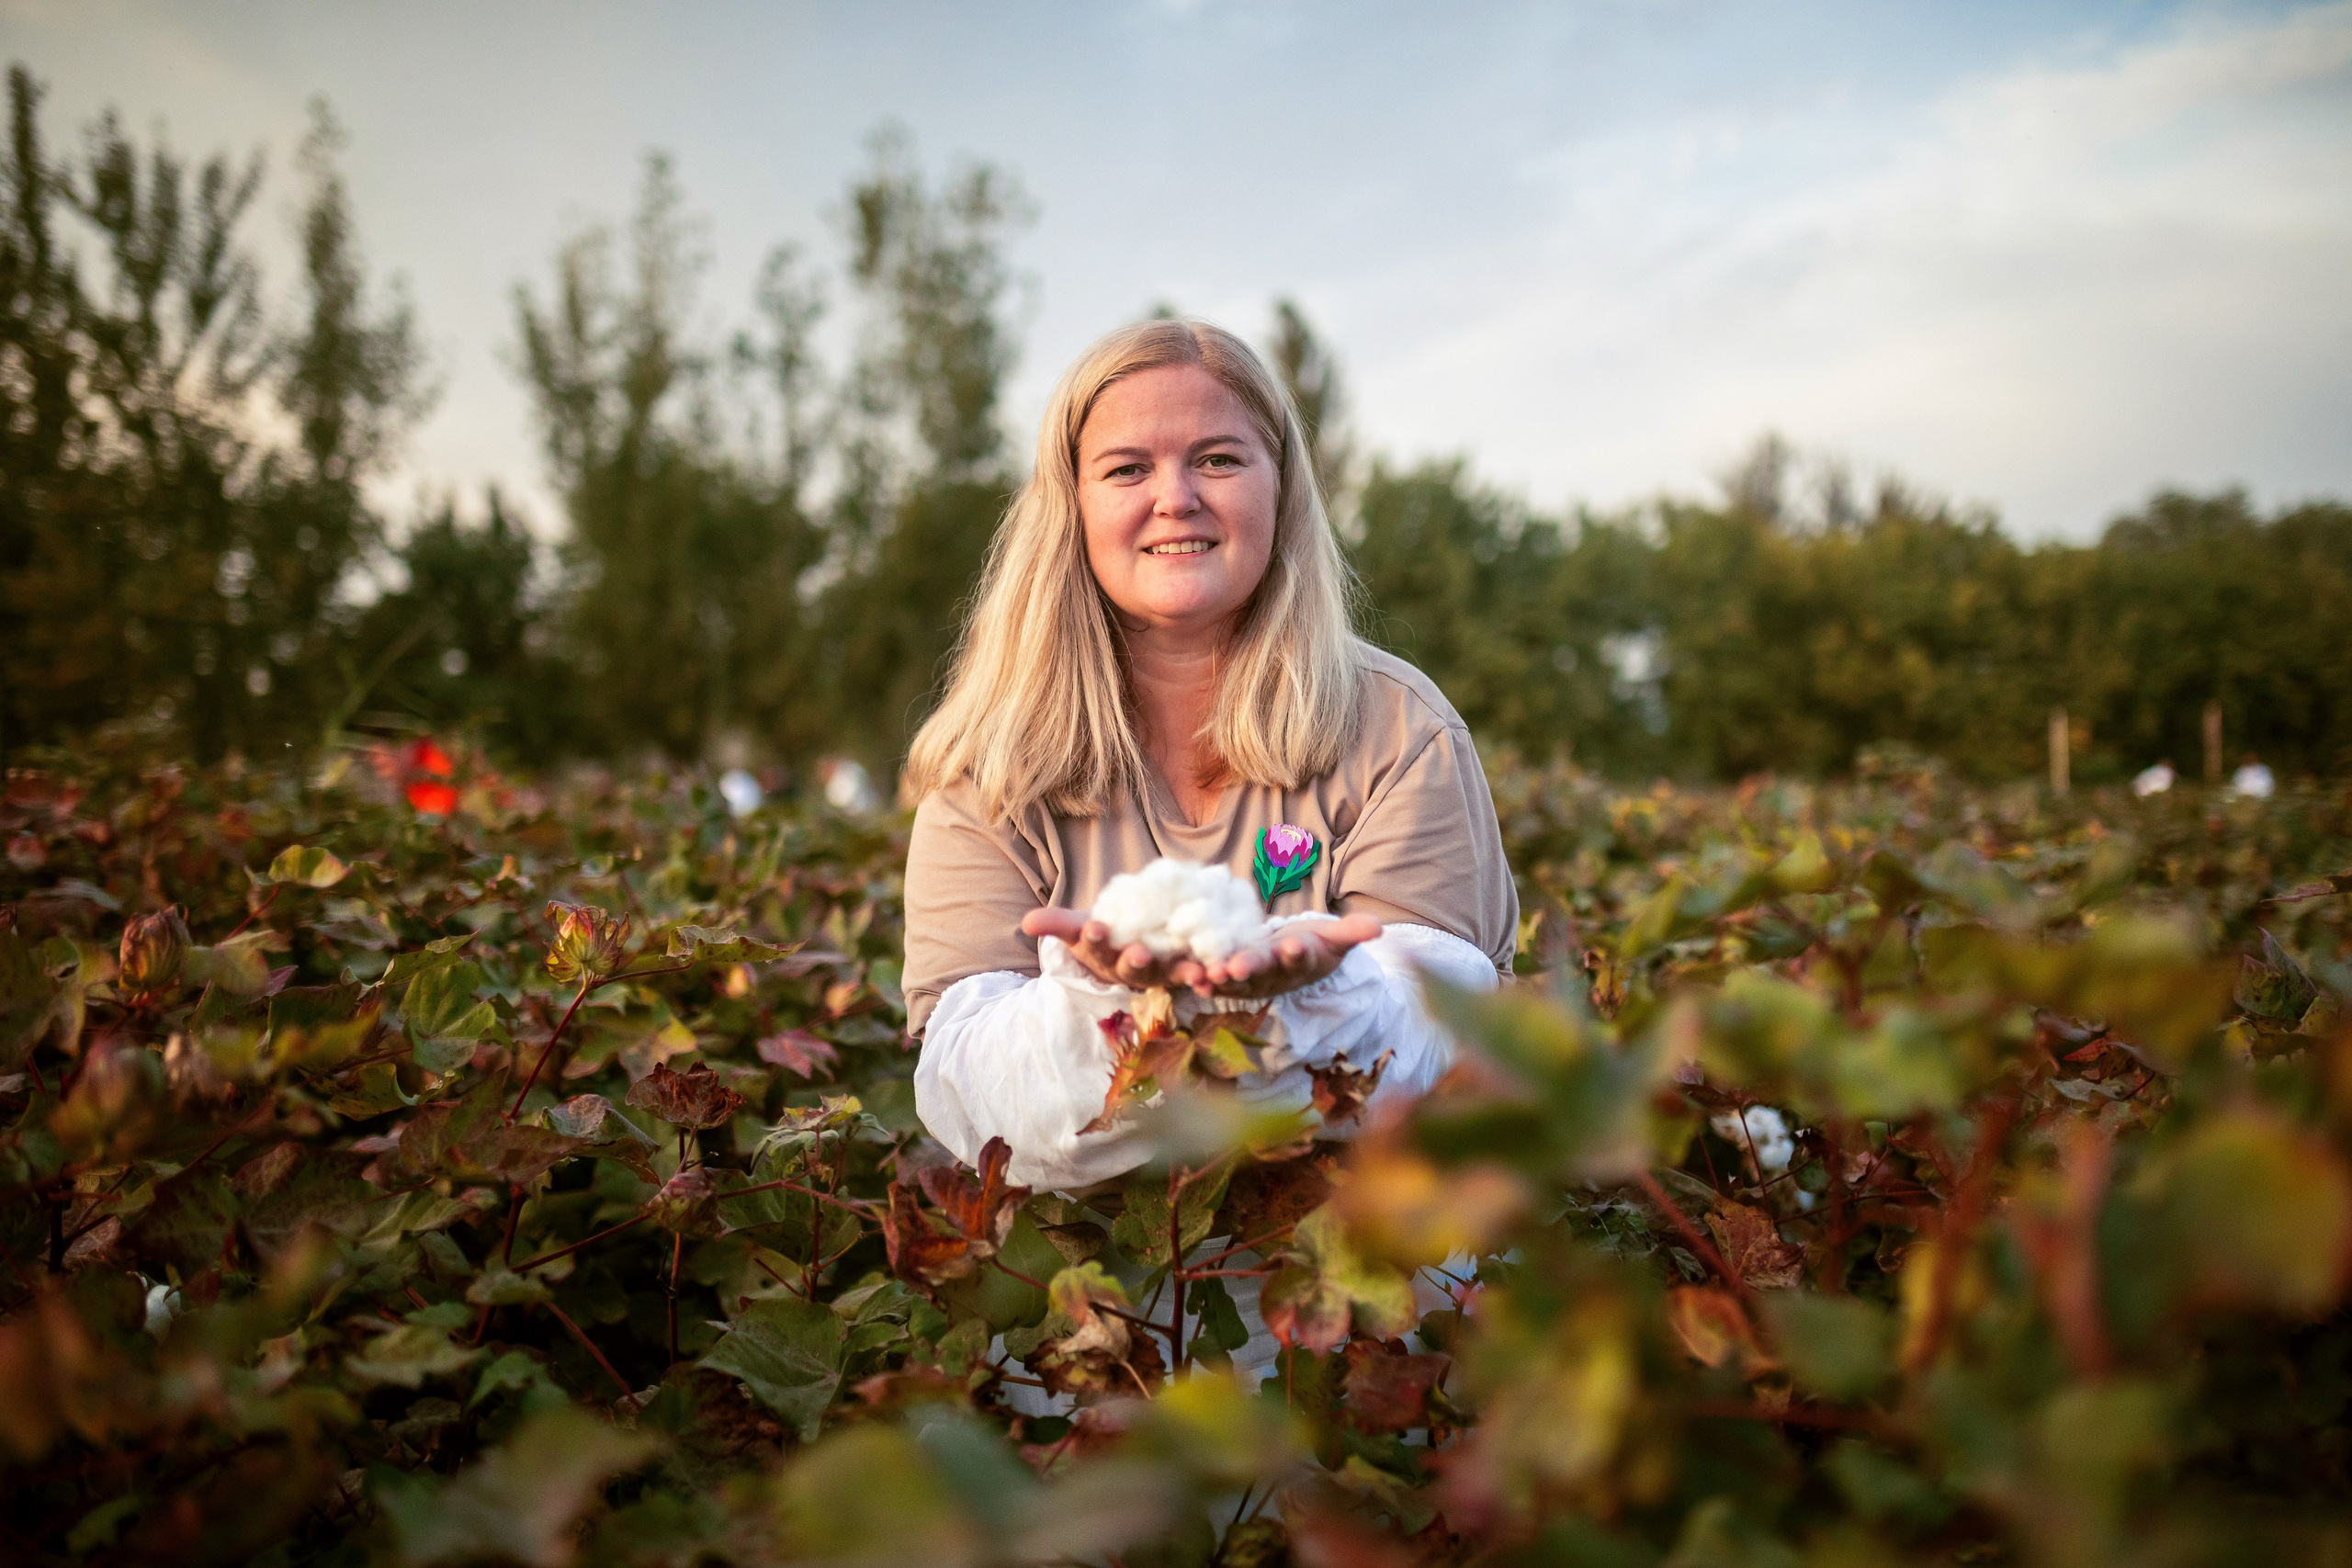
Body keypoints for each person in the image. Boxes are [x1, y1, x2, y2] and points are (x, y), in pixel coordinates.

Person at [899, 318, 1518, 1201]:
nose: (1176, 496)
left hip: (1359, 1284)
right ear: (1070, 504)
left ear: (1282, 487)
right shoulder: (984, 765)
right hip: (1079, 1308)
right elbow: (971, 1093)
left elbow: (1438, 1042)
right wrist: (1105, 1009)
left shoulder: (1398, 726)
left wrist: (1302, 1000)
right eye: (1127, 469)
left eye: (1219, 459)